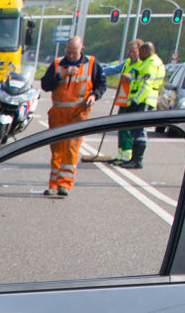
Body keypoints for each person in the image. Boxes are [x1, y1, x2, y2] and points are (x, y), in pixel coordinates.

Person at [39, 37, 104, 197]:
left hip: (78, 114)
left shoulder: (92, 64)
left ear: (82, 48)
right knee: (56, 149)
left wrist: (94, 96)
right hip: (58, 113)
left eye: (74, 53)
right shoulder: (57, 64)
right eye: (68, 52)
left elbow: (101, 85)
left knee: (71, 148)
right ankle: (53, 184)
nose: (70, 55)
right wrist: (61, 75)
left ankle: (65, 184)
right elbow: (45, 85)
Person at [115, 40, 166, 169]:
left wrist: (135, 100)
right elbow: (138, 79)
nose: (139, 56)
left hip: (143, 100)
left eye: (140, 53)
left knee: (139, 130)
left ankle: (137, 160)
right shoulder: (150, 62)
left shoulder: (151, 64)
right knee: (136, 129)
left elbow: (145, 85)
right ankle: (134, 159)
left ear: (145, 51)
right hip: (144, 99)